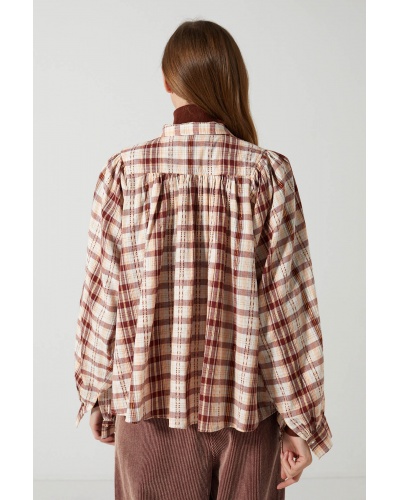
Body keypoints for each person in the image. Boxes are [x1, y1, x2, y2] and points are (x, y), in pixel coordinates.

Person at [74, 19, 333, 500]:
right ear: (233, 80)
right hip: (247, 415)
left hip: (147, 414)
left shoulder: (123, 172)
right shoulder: (266, 173)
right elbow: (288, 311)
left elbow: (101, 296)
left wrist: (97, 394)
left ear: (166, 82)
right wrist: (302, 421)